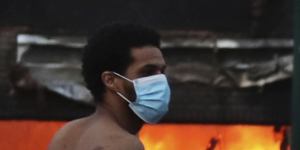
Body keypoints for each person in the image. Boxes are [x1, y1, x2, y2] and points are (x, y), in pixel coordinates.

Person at [49, 23, 171, 150]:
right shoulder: (124, 145)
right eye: (147, 72)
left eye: (162, 72)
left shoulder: (67, 134)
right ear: (110, 80)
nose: (160, 80)